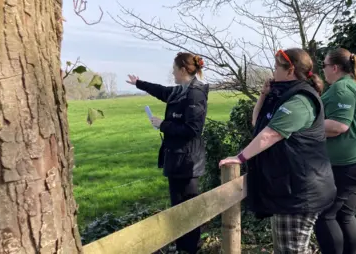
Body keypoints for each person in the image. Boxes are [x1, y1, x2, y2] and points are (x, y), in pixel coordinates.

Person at [219, 48, 336, 253]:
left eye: (276, 66)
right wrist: (263, 96)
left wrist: (239, 158)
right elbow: (258, 123)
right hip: (289, 187)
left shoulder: (300, 100)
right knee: (289, 248)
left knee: (291, 250)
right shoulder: (284, 95)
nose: (273, 71)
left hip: (299, 190)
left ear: (290, 70)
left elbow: (271, 134)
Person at [126, 52, 209, 254]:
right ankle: (182, 246)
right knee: (177, 207)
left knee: (187, 208)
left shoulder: (194, 94)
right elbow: (162, 91)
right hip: (177, 159)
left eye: (174, 70)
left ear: (182, 70)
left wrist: (163, 124)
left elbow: (192, 130)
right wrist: (139, 83)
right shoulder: (181, 91)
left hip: (188, 162)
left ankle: (189, 248)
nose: (172, 73)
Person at [313, 48, 356, 254]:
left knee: (325, 215)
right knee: (344, 214)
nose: (322, 70)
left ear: (335, 67)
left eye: (323, 65)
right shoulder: (354, 85)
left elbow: (340, 125)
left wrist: (306, 125)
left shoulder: (342, 89)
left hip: (347, 162)